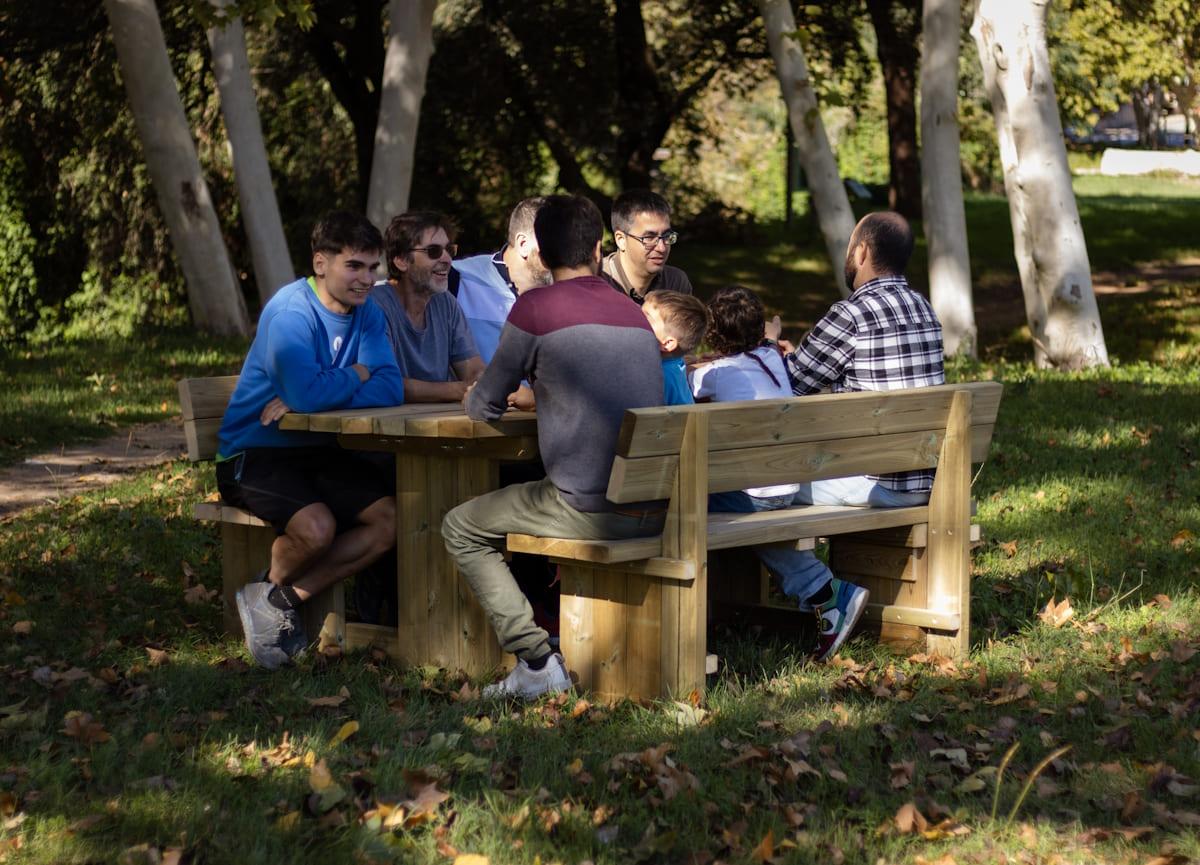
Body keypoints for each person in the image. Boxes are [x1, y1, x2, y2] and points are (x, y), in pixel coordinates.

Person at [442, 194, 665, 699]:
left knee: (459, 526)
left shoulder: (535, 307)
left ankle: (538, 661)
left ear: (539, 255)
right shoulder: (633, 315)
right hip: (653, 503)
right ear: (599, 246)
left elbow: (483, 407)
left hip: (586, 507)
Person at [216, 211, 405, 669]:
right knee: (318, 528)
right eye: (354, 266)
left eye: (373, 268)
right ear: (321, 263)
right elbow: (305, 393)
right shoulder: (290, 312)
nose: (367, 279)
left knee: (390, 520)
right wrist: (356, 373)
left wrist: (326, 388)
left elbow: (392, 387)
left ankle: (273, 600)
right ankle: (271, 597)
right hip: (253, 452)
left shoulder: (369, 314)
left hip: (317, 450)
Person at [771, 211, 945, 659]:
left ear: (862, 251)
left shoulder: (852, 312)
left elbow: (790, 387)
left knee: (754, 492)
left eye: (851, 247)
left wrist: (773, 354)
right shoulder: (924, 308)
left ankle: (824, 593)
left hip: (875, 483)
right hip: (924, 479)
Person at [692, 285, 869, 661]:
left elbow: (686, 390)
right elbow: (766, 349)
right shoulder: (772, 359)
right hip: (787, 486)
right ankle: (818, 593)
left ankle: (823, 591)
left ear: (713, 333)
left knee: (679, 501)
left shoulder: (715, 375)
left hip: (753, 495)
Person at [369, 211, 483, 402]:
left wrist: (487, 384)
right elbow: (388, 382)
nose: (447, 259)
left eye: (449, 250)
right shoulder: (375, 306)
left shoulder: (446, 303)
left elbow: (473, 370)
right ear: (402, 261)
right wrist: (462, 390)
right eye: (434, 251)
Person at [451, 197, 552, 362]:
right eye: (555, 243)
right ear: (523, 244)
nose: (563, 252)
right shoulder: (458, 278)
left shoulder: (567, 291)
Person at [601, 189, 693, 304]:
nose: (662, 248)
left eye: (666, 236)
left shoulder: (675, 284)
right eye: (649, 237)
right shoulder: (596, 283)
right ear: (621, 240)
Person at [641, 289, 709, 406]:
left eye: (645, 317)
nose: (635, 316)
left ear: (667, 344)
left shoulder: (658, 377)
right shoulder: (673, 362)